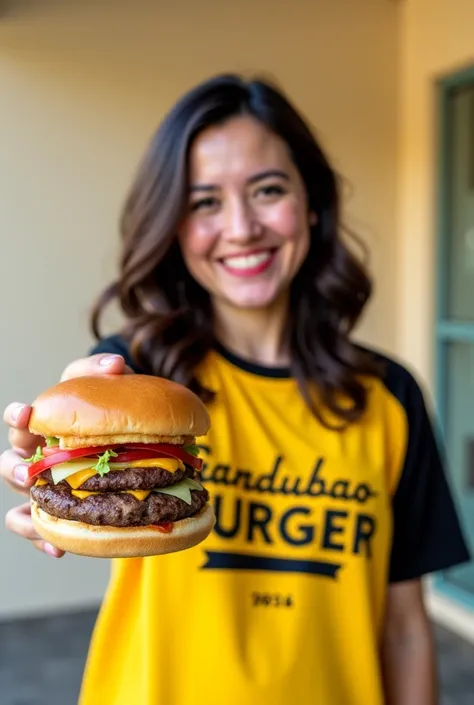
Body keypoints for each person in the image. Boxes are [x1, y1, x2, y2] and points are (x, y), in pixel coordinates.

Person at [1, 74, 470, 705]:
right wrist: (52, 469)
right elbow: (83, 396)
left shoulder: (390, 396)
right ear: (172, 223)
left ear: (311, 204)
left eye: (267, 190)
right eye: (204, 203)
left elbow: (408, 626)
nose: (243, 227)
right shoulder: (137, 371)